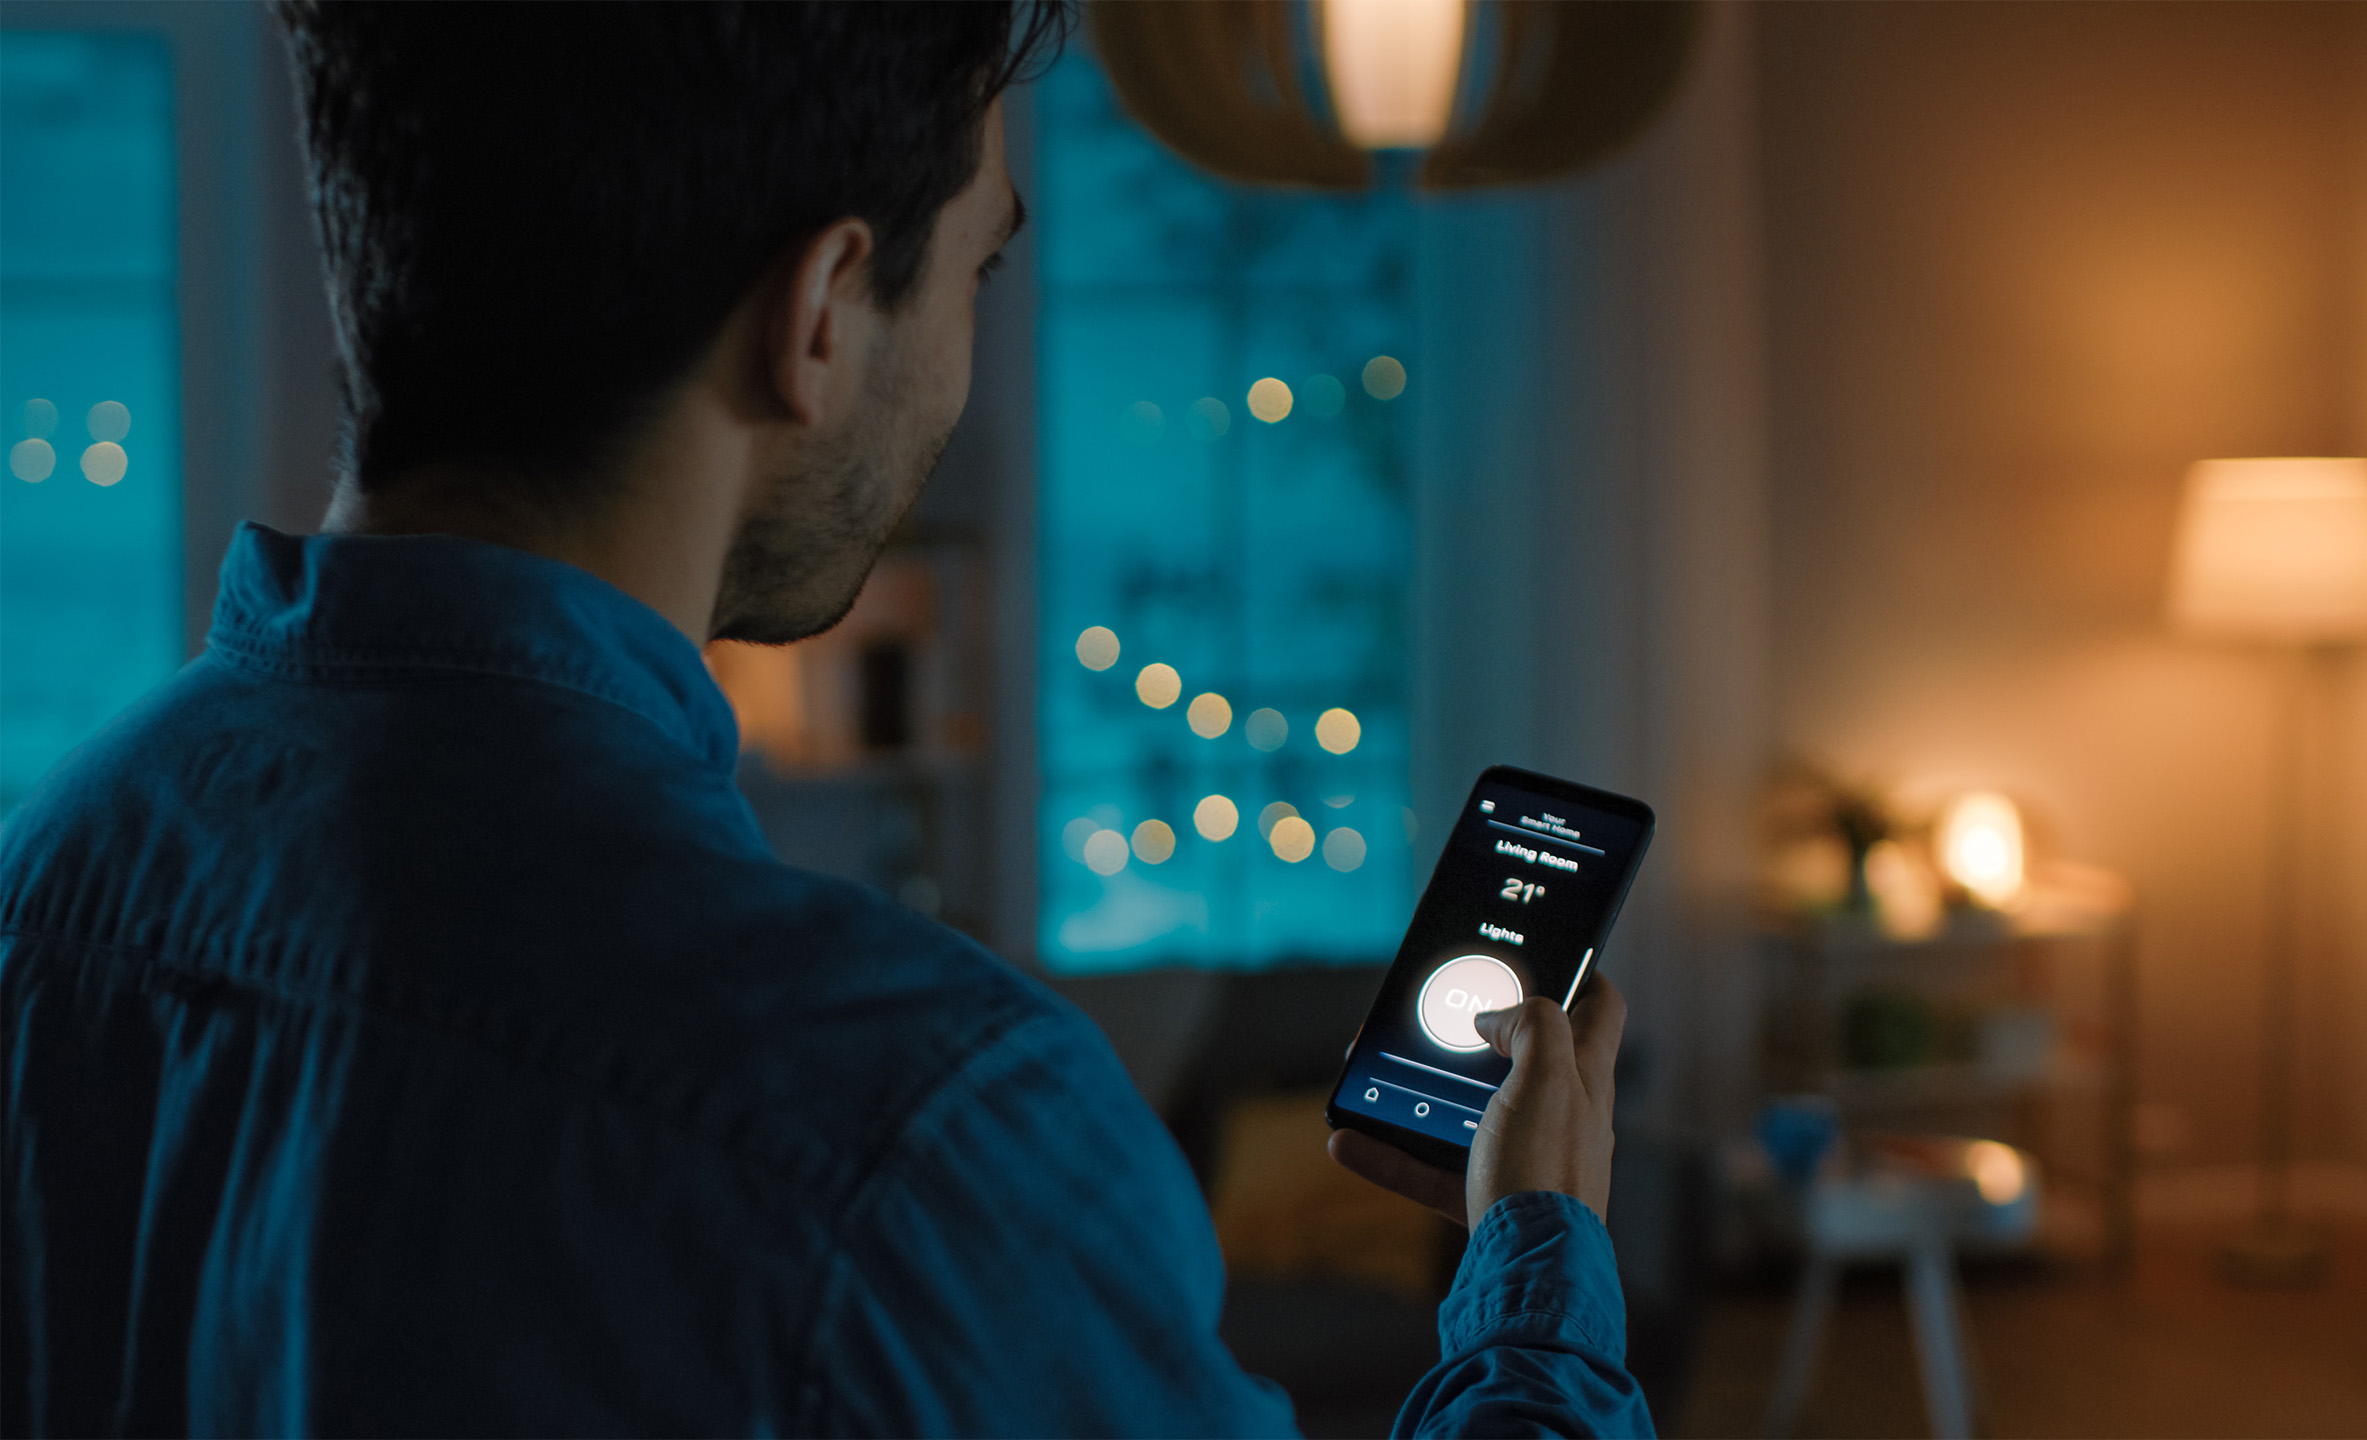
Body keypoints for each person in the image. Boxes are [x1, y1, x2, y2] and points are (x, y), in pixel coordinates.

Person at [0, 4, 1653, 1435]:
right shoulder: (919, 1123)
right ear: (821, 313)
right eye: (981, 265)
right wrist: (1535, 1264)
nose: (957, 374)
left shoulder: (49, 880)